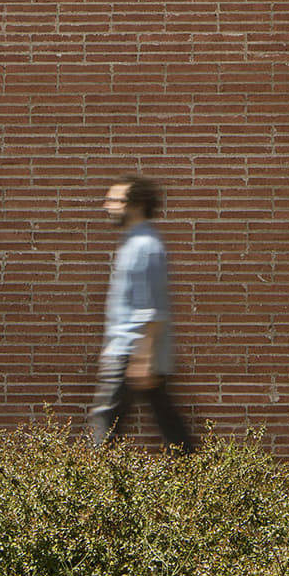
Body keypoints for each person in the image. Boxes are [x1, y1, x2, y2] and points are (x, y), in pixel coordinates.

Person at [88, 173, 197, 452]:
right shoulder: (136, 243)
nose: (107, 205)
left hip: (130, 352)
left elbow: (151, 309)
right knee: (168, 422)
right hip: (132, 352)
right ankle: (199, 472)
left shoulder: (145, 246)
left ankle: (88, 485)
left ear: (134, 205)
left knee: (105, 422)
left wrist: (142, 359)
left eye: (115, 200)